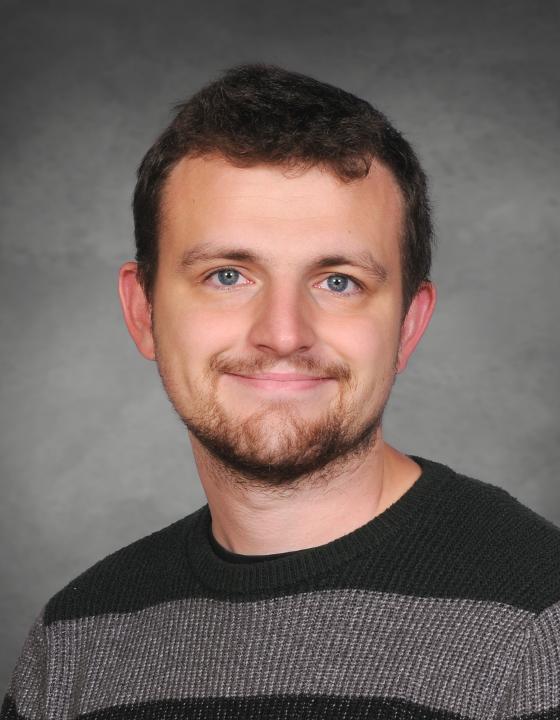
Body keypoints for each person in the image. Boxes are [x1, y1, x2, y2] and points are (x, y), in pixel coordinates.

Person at [2, 63, 559, 720]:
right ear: (143, 311)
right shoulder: (73, 642)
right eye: (228, 275)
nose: (283, 334)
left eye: (339, 282)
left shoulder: (540, 624)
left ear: (408, 326)